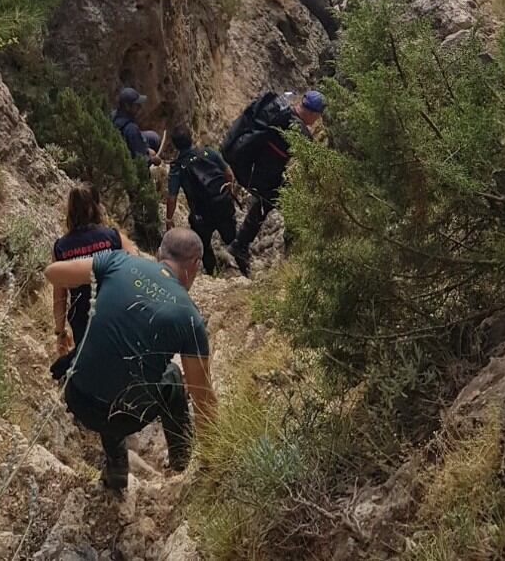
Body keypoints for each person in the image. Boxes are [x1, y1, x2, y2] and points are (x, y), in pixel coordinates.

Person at [45, 227, 216, 491]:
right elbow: (203, 400)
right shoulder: (189, 316)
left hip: (78, 396)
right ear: (195, 264)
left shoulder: (117, 261)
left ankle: (116, 469)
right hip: (125, 417)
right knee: (171, 375)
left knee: (109, 359)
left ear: (158, 254)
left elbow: (52, 273)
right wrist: (213, 463)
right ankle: (182, 461)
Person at [223, 90, 326, 275]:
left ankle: (239, 245)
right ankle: (291, 252)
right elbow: (312, 161)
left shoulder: (283, 111)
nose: (317, 120)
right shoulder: (297, 129)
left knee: (265, 202)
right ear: (312, 113)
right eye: (318, 116)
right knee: (291, 204)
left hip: (252, 169)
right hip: (258, 174)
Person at [50, 184, 133, 379]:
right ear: (96, 206)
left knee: (89, 365)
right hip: (115, 312)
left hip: (82, 317)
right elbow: (135, 270)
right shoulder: (113, 237)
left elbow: (59, 296)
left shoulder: (61, 247)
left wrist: (60, 333)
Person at [165, 126, 241, 276]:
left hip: (201, 214)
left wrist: (169, 219)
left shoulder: (177, 167)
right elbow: (229, 174)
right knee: (233, 240)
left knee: (204, 245)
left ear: (175, 145)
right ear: (191, 137)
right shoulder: (208, 152)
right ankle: (245, 269)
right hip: (222, 206)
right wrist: (228, 193)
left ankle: (212, 274)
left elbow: (172, 198)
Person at [111, 87, 160, 162]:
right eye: (136, 105)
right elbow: (141, 160)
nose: (140, 107)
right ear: (127, 106)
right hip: (128, 156)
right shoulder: (131, 129)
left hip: (126, 144)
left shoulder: (114, 115)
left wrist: (147, 150)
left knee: (153, 137)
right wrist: (153, 159)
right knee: (155, 140)